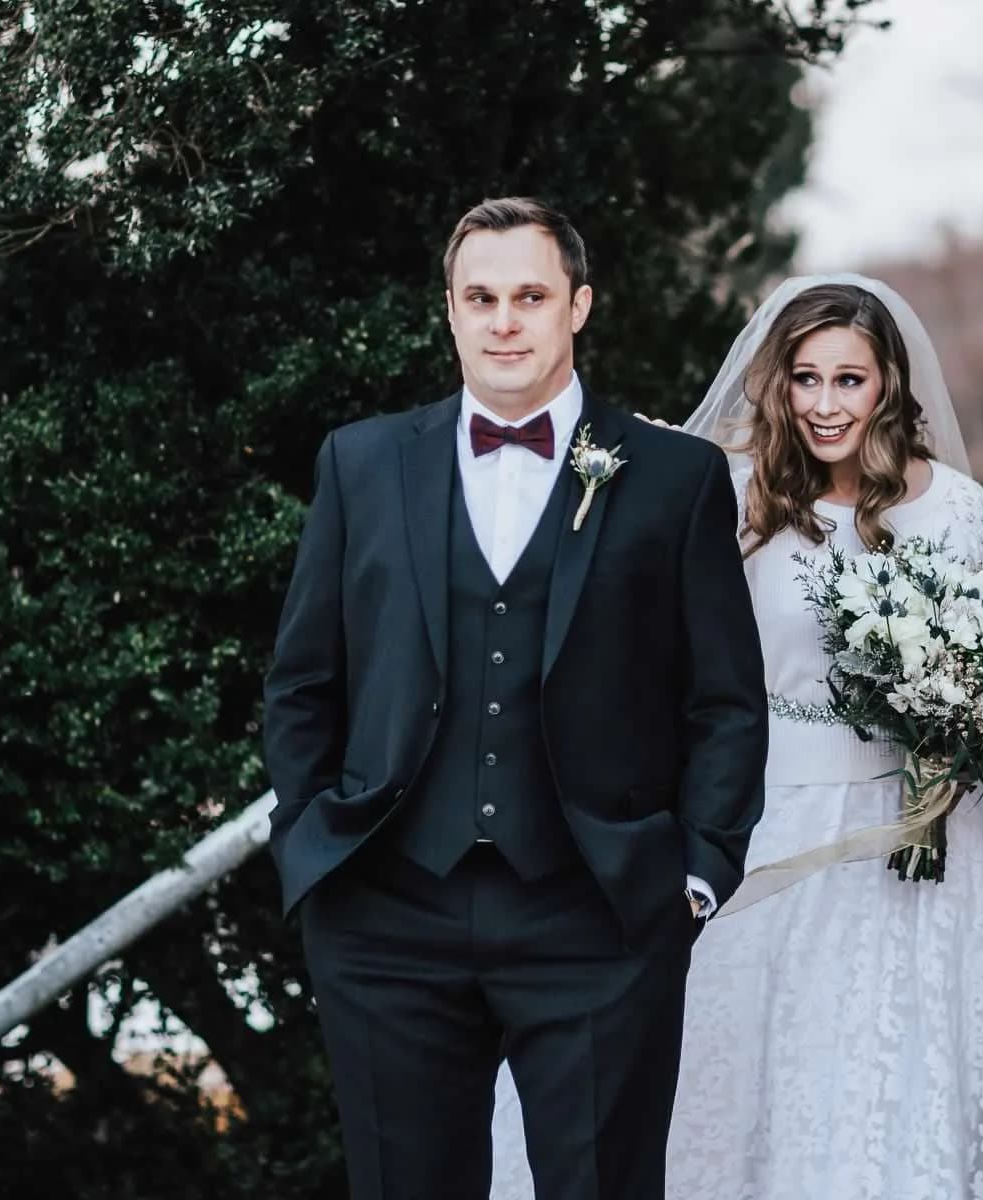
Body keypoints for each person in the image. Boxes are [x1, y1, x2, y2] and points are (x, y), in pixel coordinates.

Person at [489, 274, 983, 1199]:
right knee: (744, 1066)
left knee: (887, 1080)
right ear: (777, 383)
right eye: (806, 379)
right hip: (764, 825)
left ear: (889, 388)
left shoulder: (953, 510)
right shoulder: (730, 495)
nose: (826, 405)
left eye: (850, 381)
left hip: (913, 841)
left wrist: (955, 731)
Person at [263, 196, 769, 1200]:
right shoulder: (361, 464)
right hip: (387, 915)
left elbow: (725, 700)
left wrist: (697, 871)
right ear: (448, 312)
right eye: (481, 296)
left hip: (598, 915)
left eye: (530, 295)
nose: (505, 320)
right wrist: (313, 844)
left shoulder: (675, 478)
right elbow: (303, 679)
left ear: (577, 306)